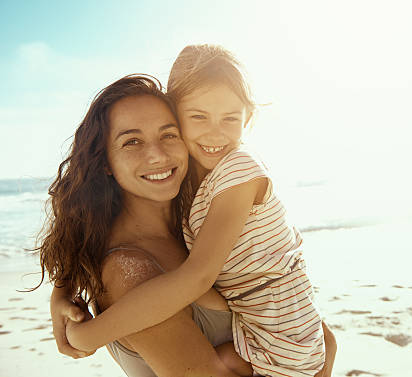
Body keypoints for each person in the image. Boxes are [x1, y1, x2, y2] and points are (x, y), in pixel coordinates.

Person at [39, 74, 337, 376]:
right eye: (132, 141)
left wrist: (61, 290)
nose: (157, 154)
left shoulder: (197, 226)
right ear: (105, 161)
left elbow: (309, 326)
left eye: (169, 135)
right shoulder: (129, 270)